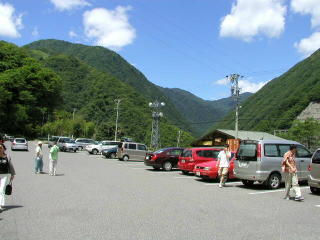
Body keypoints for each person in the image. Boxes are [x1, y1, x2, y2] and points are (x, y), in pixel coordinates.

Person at [0, 142, 15, 211]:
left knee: (2, 189)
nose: (0, 149)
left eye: (1, 148)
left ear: (4, 149)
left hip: (4, 175)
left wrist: (12, 174)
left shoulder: (7, 156)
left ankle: (0, 204)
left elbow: (10, 166)